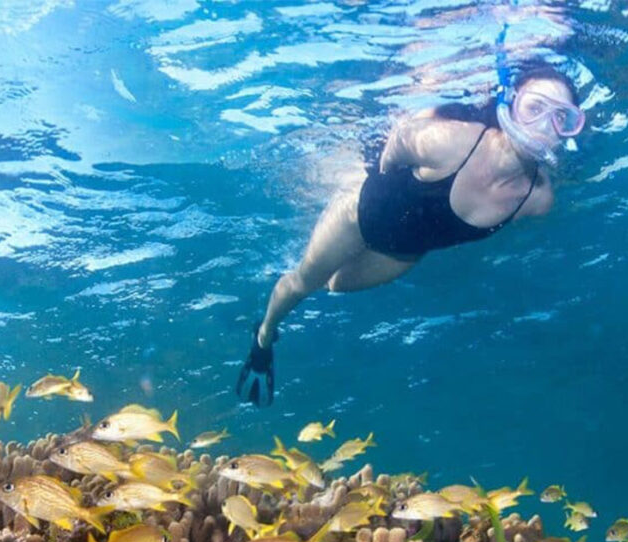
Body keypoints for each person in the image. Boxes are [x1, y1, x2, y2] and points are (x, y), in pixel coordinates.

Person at [235, 64, 585, 406]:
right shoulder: (455, 141)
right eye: (534, 107)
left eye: (561, 117)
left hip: (404, 253)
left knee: (336, 287)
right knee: (304, 283)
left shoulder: (537, 199)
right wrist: (377, 184)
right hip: (360, 214)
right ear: (511, 104)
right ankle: (263, 339)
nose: (543, 125)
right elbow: (397, 142)